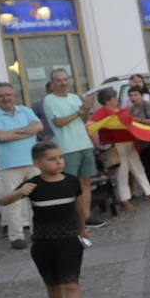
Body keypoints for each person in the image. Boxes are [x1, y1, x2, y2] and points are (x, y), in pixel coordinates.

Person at [0, 141, 92, 298]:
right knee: (53, 284)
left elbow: (78, 207)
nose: (58, 162)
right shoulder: (32, 185)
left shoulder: (72, 181)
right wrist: (19, 192)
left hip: (70, 240)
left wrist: (83, 228)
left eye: (60, 157)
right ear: (37, 163)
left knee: (71, 283)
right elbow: (2, 201)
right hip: (43, 244)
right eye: (52, 159)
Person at [0, 83, 42, 249]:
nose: (5, 98)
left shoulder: (26, 110)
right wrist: (27, 130)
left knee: (36, 201)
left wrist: (12, 132)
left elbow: (38, 127)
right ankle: (16, 237)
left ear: (14, 96)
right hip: (9, 166)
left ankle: (38, 234)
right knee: (14, 203)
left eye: (8, 95)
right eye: (1, 96)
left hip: (32, 162)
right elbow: (1, 137)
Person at [40, 68, 103, 228]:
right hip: (68, 147)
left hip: (84, 144)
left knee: (86, 182)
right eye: (59, 80)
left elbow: (82, 120)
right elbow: (58, 122)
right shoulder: (49, 100)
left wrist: (87, 108)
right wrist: (80, 110)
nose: (63, 83)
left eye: (65, 79)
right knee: (70, 185)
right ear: (52, 83)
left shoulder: (75, 97)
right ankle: (74, 218)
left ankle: (86, 217)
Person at [87, 87, 150, 211]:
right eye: (114, 97)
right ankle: (124, 199)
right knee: (122, 172)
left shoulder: (119, 110)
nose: (117, 99)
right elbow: (90, 125)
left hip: (128, 142)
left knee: (138, 168)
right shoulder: (103, 111)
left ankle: (149, 193)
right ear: (107, 100)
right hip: (117, 144)